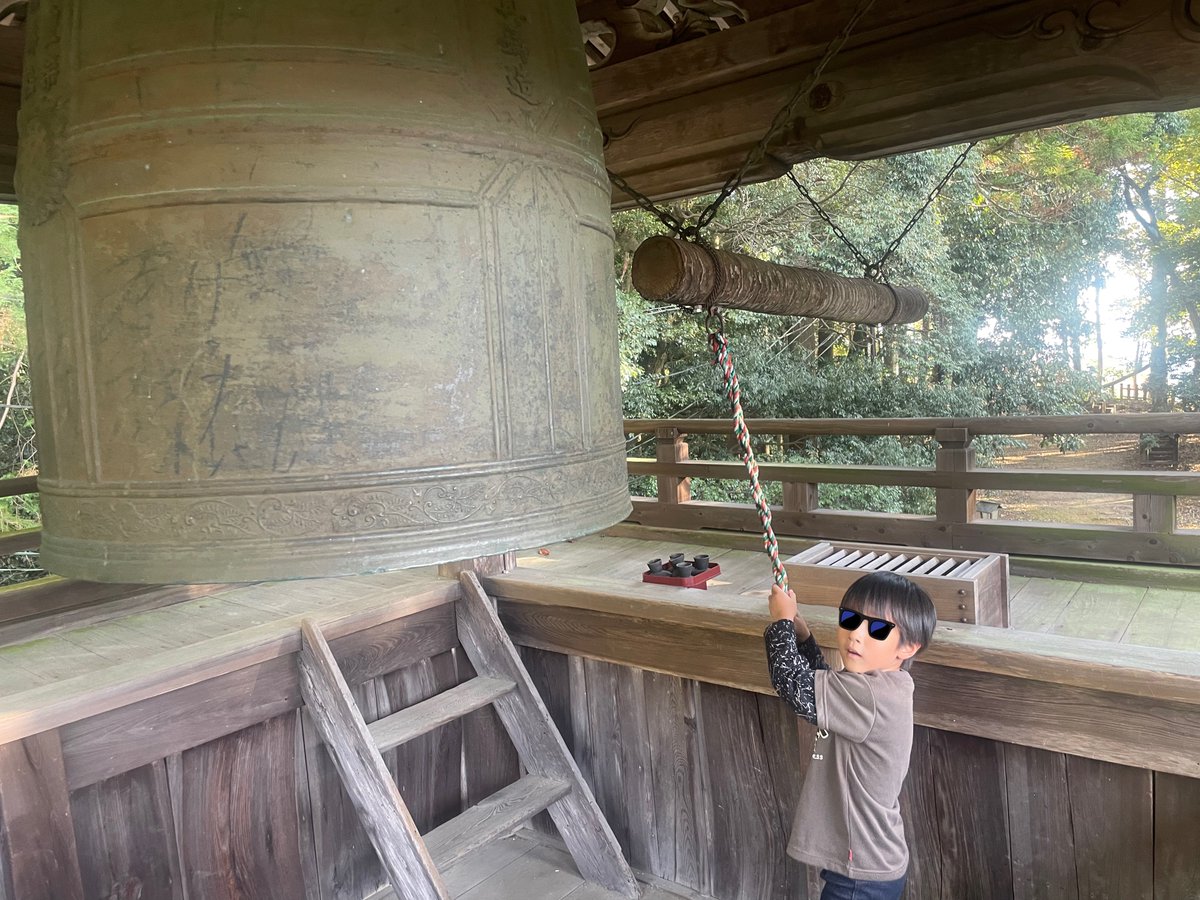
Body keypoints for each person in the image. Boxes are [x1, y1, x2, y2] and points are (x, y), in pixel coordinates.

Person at [763, 571, 936, 900]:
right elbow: (825, 686)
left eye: (878, 628)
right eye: (850, 619)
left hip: (862, 875)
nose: (857, 635)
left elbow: (792, 684)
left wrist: (781, 622)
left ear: (909, 647)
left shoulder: (870, 695)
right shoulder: (882, 686)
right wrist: (803, 639)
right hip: (867, 864)